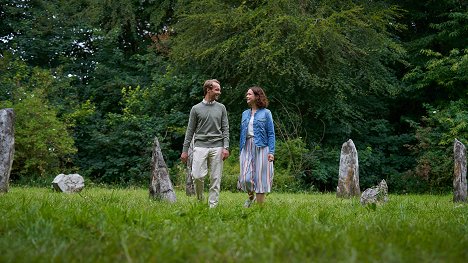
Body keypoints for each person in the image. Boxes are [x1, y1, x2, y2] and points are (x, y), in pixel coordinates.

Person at [181, 79, 230, 208]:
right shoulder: (196, 109)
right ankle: (200, 198)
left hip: (217, 146)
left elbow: (225, 129)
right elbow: (190, 130)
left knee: (215, 178)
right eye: (217, 89)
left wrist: (226, 147)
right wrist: (185, 150)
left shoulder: (221, 108)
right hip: (200, 146)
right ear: (208, 90)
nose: (219, 91)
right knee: (197, 176)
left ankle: (212, 206)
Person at [238, 86, 275, 207]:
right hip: (246, 146)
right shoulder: (244, 113)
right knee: (245, 177)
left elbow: (271, 133)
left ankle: (260, 207)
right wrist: (240, 150)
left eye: (249, 94)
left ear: (257, 96)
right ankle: (250, 197)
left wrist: (271, 151)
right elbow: (242, 133)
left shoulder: (266, 113)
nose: (247, 96)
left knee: (260, 177)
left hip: (262, 147)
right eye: (247, 94)